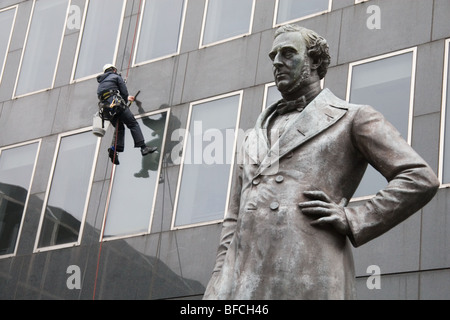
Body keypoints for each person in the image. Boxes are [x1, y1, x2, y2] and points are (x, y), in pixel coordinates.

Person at [203, 25, 440, 300]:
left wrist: (354, 218)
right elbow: (234, 217)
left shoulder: (354, 117)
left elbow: (419, 177)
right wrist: (218, 281)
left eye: (288, 53)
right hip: (241, 283)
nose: (277, 62)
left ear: (315, 61)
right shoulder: (252, 136)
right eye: (273, 56)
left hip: (307, 274)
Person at [97, 64, 156, 165]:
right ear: (114, 70)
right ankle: (143, 147)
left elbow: (106, 95)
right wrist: (125, 102)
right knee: (132, 123)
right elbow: (124, 92)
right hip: (117, 104)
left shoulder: (100, 84)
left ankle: (114, 149)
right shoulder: (116, 76)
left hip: (107, 109)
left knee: (119, 128)